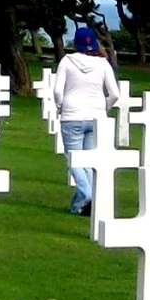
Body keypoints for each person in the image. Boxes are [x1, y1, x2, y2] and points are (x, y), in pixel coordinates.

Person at [53, 24, 119, 215]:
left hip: (72, 115)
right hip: (96, 117)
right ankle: (78, 206)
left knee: (73, 159)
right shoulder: (102, 63)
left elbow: (58, 90)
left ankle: (89, 194)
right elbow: (114, 93)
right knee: (91, 160)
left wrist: (60, 106)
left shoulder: (67, 61)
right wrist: (103, 108)